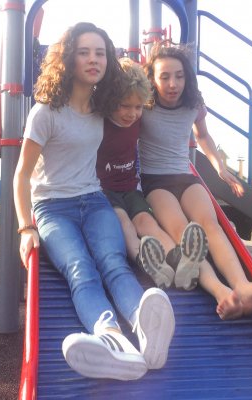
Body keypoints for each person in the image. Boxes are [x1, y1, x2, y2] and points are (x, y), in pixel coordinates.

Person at [13, 23, 175, 381]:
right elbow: (21, 175)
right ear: (68, 58)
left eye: (100, 53)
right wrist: (25, 228)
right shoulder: (46, 113)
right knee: (80, 268)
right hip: (53, 207)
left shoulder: (104, 108)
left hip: (93, 199)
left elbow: (142, 96)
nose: (93, 59)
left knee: (114, 263)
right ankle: (111, 339)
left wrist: (186, 96)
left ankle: (145, 328)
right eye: (84, 52)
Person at [139, 41, 252, 320]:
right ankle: (220, 291)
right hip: (155, 181)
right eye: (164, 76)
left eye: (179, 76)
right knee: (183, 231)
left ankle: (243, 287)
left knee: (210, 225)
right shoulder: (143, 104)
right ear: (152, 79)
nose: (173, 84)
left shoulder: (193, 104)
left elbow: (202, 135)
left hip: (185, 176)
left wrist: (220, 168)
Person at [96, 57, 208, 290]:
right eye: (125, 106)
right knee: (124, 223)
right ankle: (147, 261)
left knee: (147, 222)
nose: (132, 113)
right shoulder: (99, 122)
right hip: (103, 191)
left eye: (138, 107)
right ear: (110, 101)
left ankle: (180, 261)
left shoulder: (138, 121)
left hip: (130, 188)